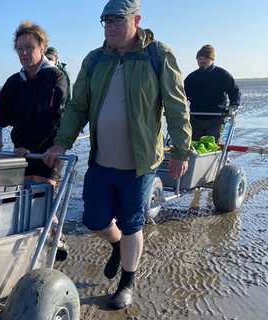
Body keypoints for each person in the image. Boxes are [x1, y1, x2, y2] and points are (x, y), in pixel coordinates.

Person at [42, 0, 193, 309]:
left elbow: (177, 107)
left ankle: (127, 283)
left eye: (116, 21)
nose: (110, 27)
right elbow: (77, 106)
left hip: (138, 164)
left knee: (132, 224)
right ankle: (116, 245)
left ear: (136, 20)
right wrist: (61, 143)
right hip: (101, 160)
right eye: (105, 22)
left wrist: (180, 150)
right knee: (93, 219)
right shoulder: (95, 59)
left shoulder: (158, 55)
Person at [0, 20, 67, 186]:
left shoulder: (55, 77)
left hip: (48, 152)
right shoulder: (15, 81)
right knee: (22, 202)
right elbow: (4, 120)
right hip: (21, 151)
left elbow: (52, 118)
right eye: (20, 48)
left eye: (29, 47)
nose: (24, 53)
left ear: (42, 48)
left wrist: (29, 146)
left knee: (43, 204)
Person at [184, 44, 241, 143]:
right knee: (194, 146)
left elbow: (234, 90)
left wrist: (234, 104)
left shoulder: (222, 74)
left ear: (212, 59)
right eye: (200, 58)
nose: (202, 61)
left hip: (217, 118)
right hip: (195, 117)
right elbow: (182, 94)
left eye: (205, 58)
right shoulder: (192, 77)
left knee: (211, 145)